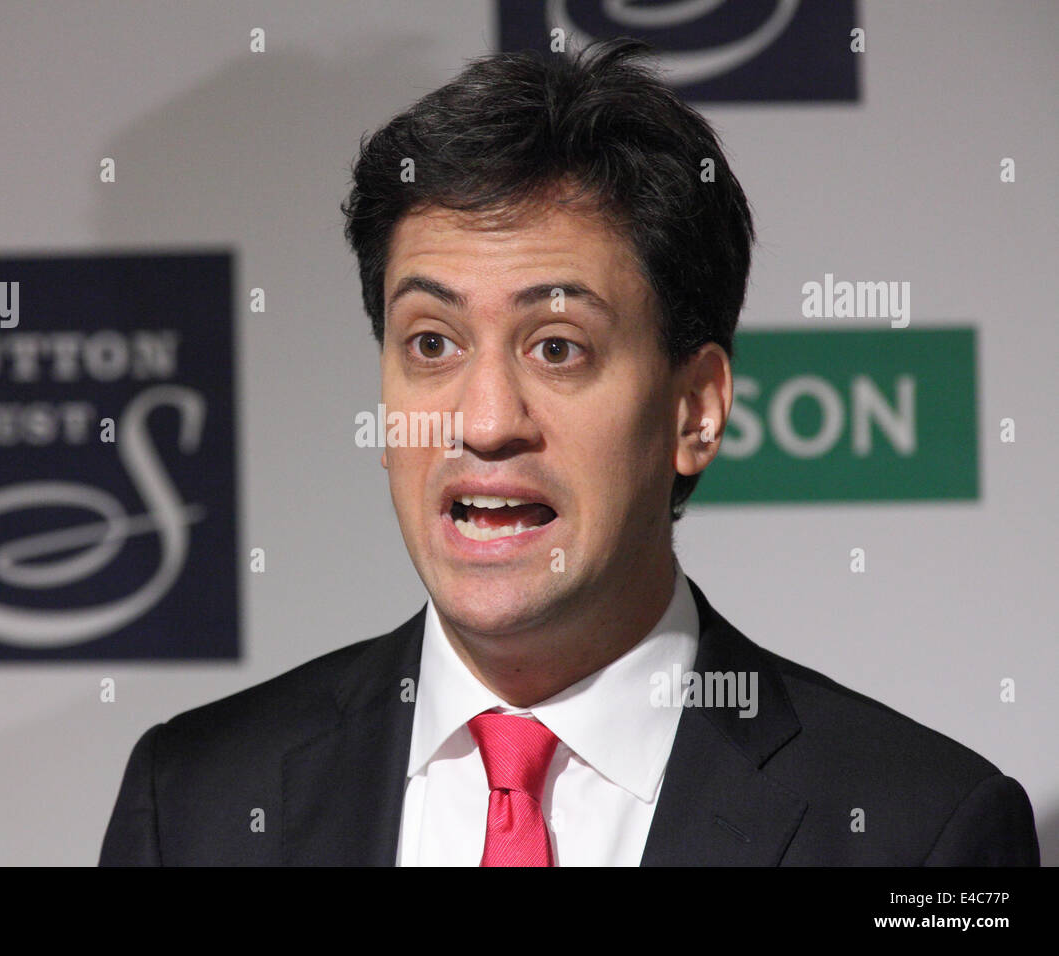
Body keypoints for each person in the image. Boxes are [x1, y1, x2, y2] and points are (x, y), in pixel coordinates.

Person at [99, 37, 1039, 866]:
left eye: (558, 347)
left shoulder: (920, 835)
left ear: (695, 409)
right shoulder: (191, 808)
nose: (484, 419)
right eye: (432, 343)